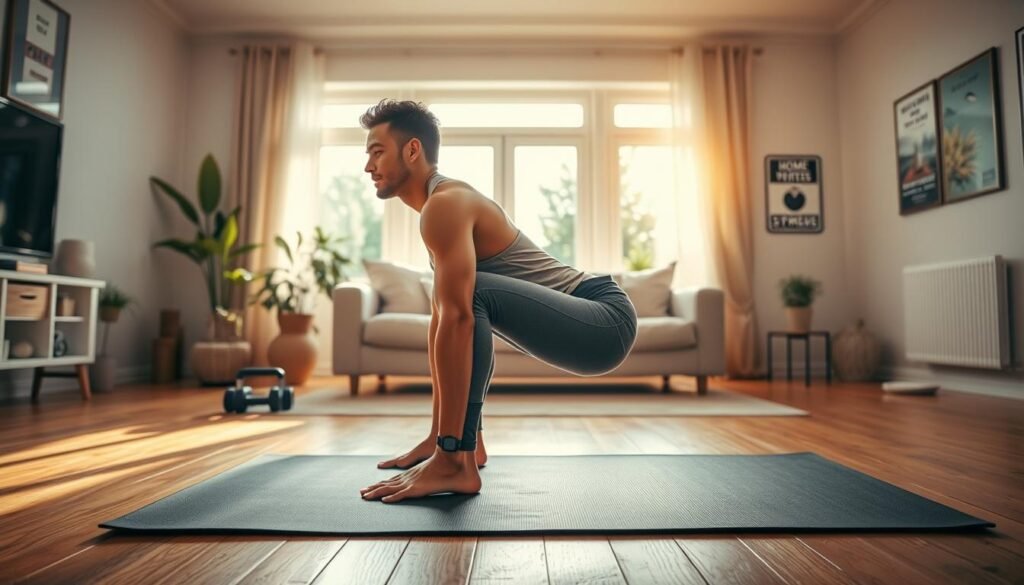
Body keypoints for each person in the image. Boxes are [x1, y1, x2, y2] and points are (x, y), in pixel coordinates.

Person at [357, 99, 638, 503]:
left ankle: (456, 458)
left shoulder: (445, 204)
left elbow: (460, 319)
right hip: (595, 317)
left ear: (412, 150)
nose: (368, 166)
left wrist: (450, 451)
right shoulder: (441, 204)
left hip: (605, 321)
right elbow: (445, 322)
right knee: (448, 304)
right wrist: (440, 436)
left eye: (376, 151)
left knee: (464, 300)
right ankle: (453, 443)